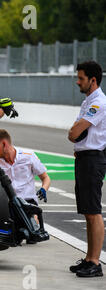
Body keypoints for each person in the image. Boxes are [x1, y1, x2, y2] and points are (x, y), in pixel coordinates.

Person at [68, 61, 106, 278]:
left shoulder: (98, 103)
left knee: (93, 212)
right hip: (84, 158)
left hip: (92, 159)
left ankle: (95, 262)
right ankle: (89, 258)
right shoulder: (88, 102)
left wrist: (74, 132)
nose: (77, 81)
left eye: (81, 78)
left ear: (93, 80)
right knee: (87, 212)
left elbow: (74, 133)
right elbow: (75, 132)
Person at [0, 129, 51, 244]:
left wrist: (43, 189)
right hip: (9, 204)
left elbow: (45, 178)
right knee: (14, 238)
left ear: (4, 144)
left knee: (32, 235)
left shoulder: (29, 156)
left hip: (28, 202)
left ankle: (33, 221)